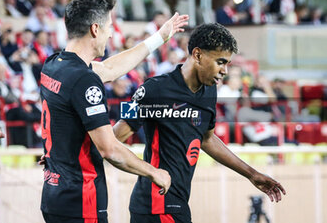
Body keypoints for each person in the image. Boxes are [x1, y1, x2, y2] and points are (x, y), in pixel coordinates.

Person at [113, 23, 286, 223]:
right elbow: (112, 139)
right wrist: (149, 171)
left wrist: (251, 174)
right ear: (197, 55)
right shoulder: (153, 90)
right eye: (220, 62)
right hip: (155, 206)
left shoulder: (209, 91)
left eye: (227, 63)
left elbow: (207, 139)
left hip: (178, 204)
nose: (225, 71)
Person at [40, 0, 188, 223]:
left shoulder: (53, 65)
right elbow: (109, 150)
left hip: (53, 195)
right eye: (109, 27)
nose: (111, 33)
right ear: (95, 29)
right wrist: (154, 172)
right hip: (81, 200)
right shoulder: (84, 81)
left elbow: (108, 69)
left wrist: (159, 37)